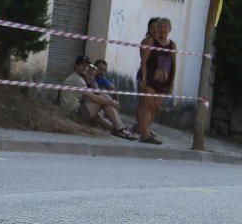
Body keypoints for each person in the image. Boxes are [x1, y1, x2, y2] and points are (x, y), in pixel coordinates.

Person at [59, 56, 134, 139]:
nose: (85, 67)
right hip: (73, 114)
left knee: (98, 113)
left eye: (86, 66)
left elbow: (96, 94)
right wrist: (111, 102)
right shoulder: (77, 80)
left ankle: (117, 128)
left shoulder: (77, 78)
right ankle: (119, 129)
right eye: (82, 65)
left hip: (71, 112)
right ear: (76, 66)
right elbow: (94, 97)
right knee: (104, 99)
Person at [136, 17, 175, 145]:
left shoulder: (172, 44)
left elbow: (174, 64)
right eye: (160, 27)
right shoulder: (151, 42)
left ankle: (145, 128)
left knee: (154, 107)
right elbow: (144, 62)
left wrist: (171, 83)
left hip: (164, 82)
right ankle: (145, 134)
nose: (162, 29)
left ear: (169, 29)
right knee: (147, 105)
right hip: (150, 80)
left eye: (165, 27)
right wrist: (144, 78)